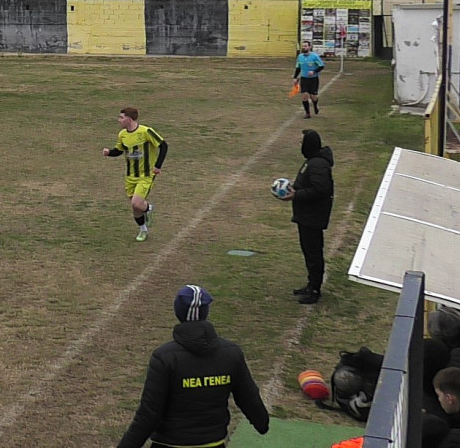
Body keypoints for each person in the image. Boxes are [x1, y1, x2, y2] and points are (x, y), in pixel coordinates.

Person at [116, 285, 270, 448]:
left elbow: (149, 414)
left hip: (169, 443)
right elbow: (248, 396)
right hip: (213, 443)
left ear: (178, 312)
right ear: (206, 313)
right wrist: (261, 423)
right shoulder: (231, 353)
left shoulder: (164, 357)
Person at [277, 129, 333, 304]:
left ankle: (315, 289)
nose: (300, 145)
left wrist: (296, 195)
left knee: (314, 252)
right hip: (307, 215)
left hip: (313, 217)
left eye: (302, 142)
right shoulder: (312, 162)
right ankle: (311, 284)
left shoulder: (317, 165)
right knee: (309, 251)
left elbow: (320, 190)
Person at [103, 107, 167, 242]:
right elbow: (119, 150)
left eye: (121, 118)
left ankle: (148, 209)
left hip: (146, 175)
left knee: (137, 203)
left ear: (129, 119)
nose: (119, 120)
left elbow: (163, 145)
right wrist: (109, 152)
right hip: (130, 176)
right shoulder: (122, 135)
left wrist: (157, 166)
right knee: (135, 207)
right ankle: (143, 230)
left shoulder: (146, 131)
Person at [293, 40, 325, 118]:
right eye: (303, 46)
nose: (304, 47)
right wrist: (295, 77)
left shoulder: (314, 56)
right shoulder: (300, 57)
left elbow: (321, 66)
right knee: (304, 95)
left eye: (305, 46)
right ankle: (307, 113)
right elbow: (298, 68)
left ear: (310, 47)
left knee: (313, 96)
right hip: (304, 79)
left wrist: (314, 72)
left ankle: (315, 105)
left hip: (313, 79)